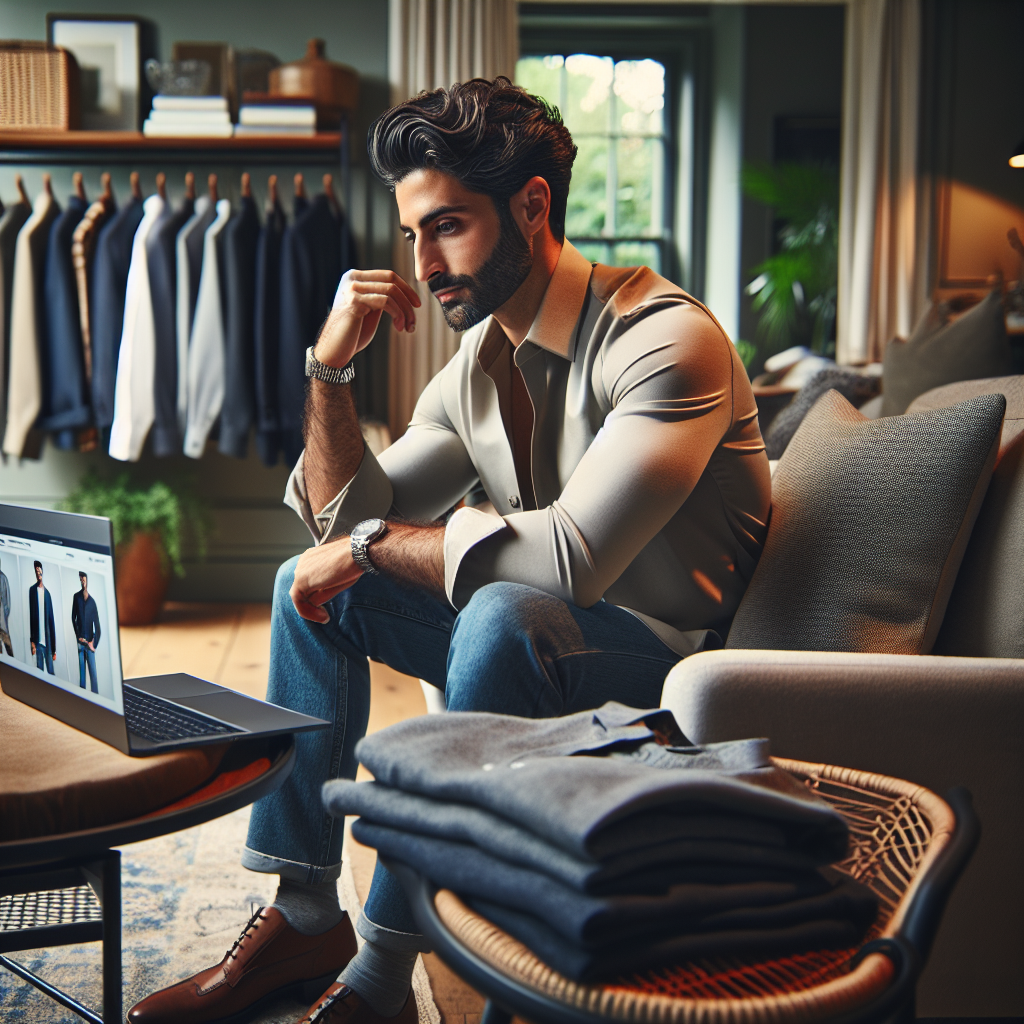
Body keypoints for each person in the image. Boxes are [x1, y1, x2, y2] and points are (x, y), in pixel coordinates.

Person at [128, 78, 771, 1024]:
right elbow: (340, 515)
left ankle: (383, 972)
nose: (424, 264)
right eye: (412, 235)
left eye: (449, 227)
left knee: (503, 607)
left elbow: (568, 562)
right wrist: (330, 371)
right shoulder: (479, 364)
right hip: (533, 641)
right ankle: (307, 913)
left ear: (533, 206)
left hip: (670, 671)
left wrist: (373, 543)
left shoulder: (666, 338)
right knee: (306, 588)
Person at [71, 570, 101, 693]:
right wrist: (78, 636)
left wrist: (94, 644)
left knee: (93, 677)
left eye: (84, 579)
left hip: (89, 644)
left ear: (87, 580)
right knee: (82, 678)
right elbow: (73, 618)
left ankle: (97, 703)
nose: (82, 581)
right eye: (81, 579)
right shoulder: (76, 597)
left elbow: (98, 627)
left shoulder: (92, 602)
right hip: (80, 643)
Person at [28, 560, 56, 675]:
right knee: (39, 673)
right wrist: (32, 642)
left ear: (42, 572)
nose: (38, 574)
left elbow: (51, 622)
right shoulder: (32, 591)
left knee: (51, 673)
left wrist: (54, 649)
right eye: (36, 572)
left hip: (48, 643)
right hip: (37, 641)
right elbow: (32, 618)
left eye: (39, 571)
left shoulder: (48, 594)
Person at [0, 555, 12, 656]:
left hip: (2, 618)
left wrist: (5, 615)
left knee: (7, 642)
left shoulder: (2, 577)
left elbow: (7, 601)